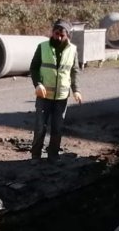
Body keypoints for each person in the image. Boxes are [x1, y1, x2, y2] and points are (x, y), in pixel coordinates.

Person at [29, 19, 82, 162]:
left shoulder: (72, 50)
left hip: (61, 97)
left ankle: (53, 155)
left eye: (62, 35)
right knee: (40, 127)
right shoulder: (43, 47)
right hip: (44, 95)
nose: (58, 37)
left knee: (57, 128)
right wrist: (37, 84)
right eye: (56, 34)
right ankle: (36, 155)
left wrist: (76, 90)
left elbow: (74, 71)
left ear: (67, 36)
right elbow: (33, 68)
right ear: (52, 33)